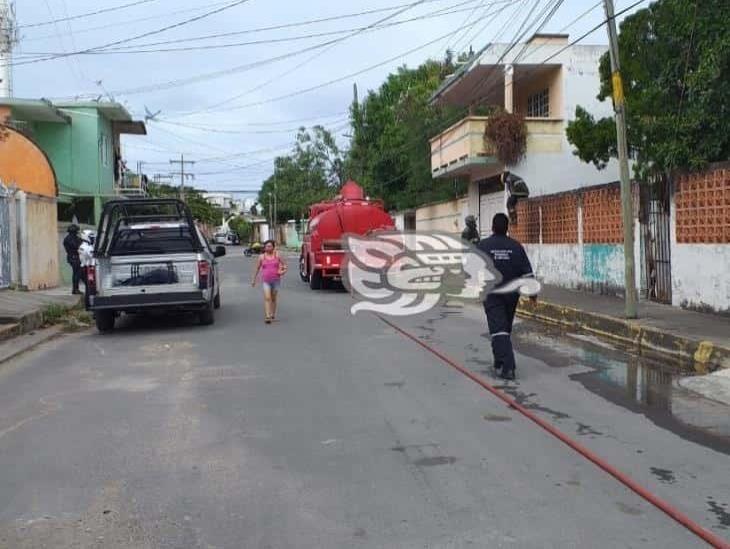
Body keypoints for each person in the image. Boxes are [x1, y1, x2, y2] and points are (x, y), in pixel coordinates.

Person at [478, 213, 535, 380]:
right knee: (504, 329)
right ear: (507, 228)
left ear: (493, 227)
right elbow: (527, 272)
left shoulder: (483, 246)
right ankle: (499, 361)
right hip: (511, 294)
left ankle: (508, 366)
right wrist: (533, 294)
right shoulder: (516, 247)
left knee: (499, 329)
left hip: (493, 294)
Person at [251, 240, 288, 324]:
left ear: (273, 247)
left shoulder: (277, 255)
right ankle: (267, 316)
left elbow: (285, 266)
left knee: (273, 298)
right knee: (267, 298)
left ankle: (272, 315)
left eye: (270, 246)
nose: (268, 248)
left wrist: (282, 271)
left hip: (276, 280)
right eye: (267, 246)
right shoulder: (261, 257)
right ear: (264, 247)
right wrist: (253, 279)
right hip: (266, 281)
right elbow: (257, 269)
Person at [63, 224, 83, 295]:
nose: (77, 233)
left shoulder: (73, 237)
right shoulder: (69, 239)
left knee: (77, 273)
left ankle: (76, 289)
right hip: (73, 257)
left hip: (74, 257)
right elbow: (76, 246)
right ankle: (75, 289)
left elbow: (81, 241)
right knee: (76, 274)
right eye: (76, 231)